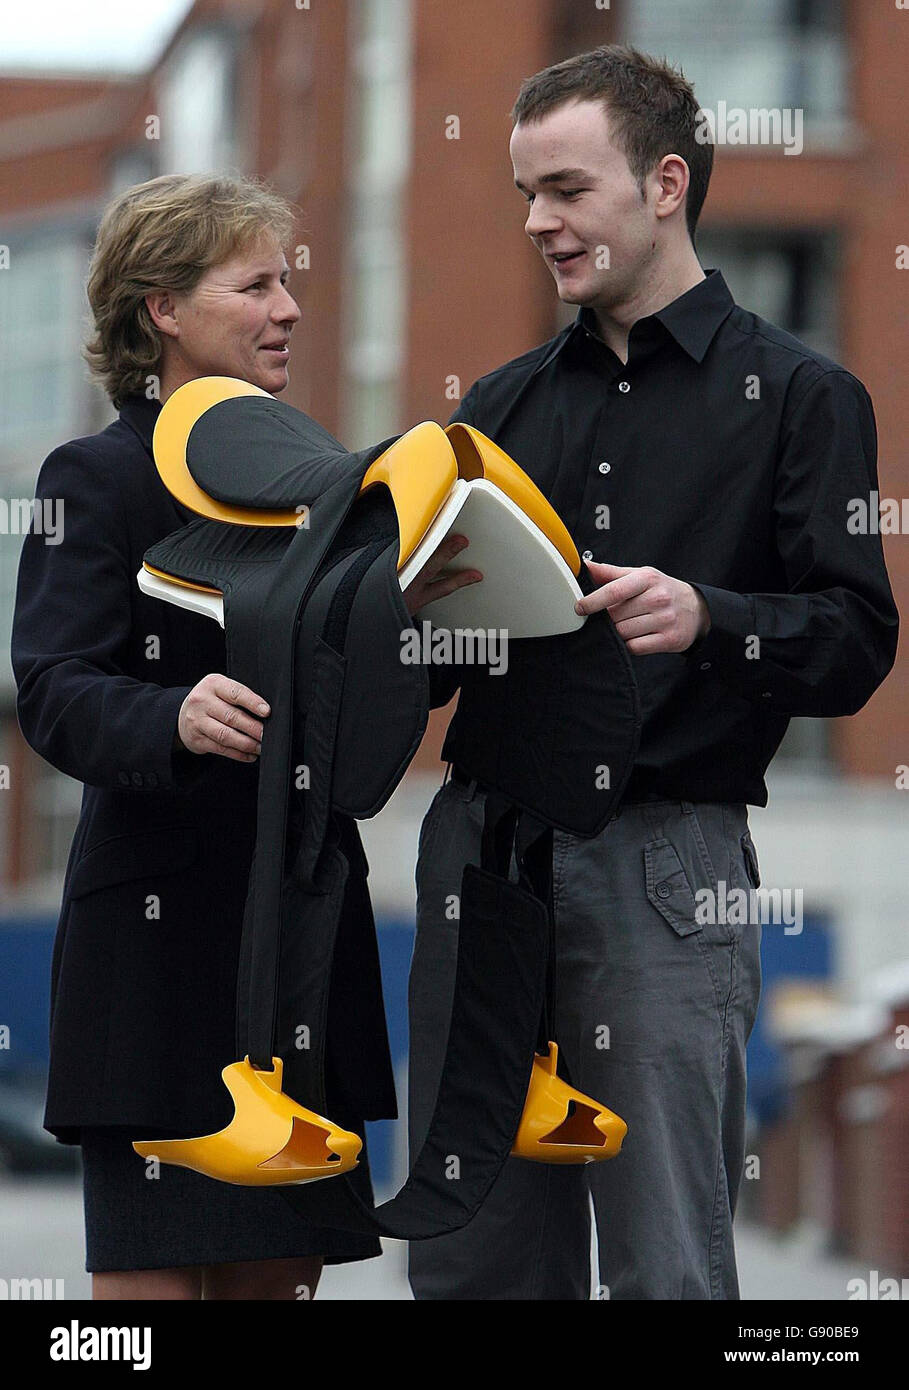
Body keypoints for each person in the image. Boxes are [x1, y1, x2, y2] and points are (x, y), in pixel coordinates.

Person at [407, 45, 899, 1300]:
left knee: (669, 1267)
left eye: (566, 189)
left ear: (666, 181)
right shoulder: (500, 411)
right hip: (481, 854)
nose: (537, 223)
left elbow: (855, 640)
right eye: (526, 193)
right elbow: (423, 659)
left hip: (667, 867)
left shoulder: (806, 398)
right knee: (473, 1270)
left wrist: (711, 615)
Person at [11, 172, 474, 1301]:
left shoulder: (327, 490)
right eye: (256, 283)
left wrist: (428, 629)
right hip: (157, 965)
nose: (290, 308)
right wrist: (168, 714)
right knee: (144, 1304)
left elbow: (366, 727)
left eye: (289, 282)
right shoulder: (96, 476)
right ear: (161, 307)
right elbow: (55, 685)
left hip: (302, 946)